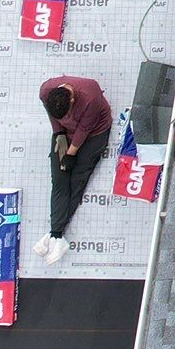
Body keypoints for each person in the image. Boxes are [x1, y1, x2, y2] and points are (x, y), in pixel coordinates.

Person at [36, 75, 112, 265]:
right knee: (59, 180)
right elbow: (52, 115)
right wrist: (59, 133)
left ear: (71, 100)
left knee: (77, 179)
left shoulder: (90, 95)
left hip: (94, 132)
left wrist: (71, 154)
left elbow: (84, 130)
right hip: (64, 133)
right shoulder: (46, 90)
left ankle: (55, 233)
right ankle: (55, 235)